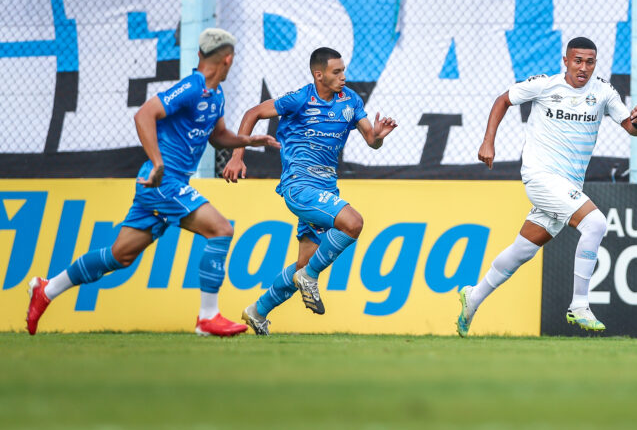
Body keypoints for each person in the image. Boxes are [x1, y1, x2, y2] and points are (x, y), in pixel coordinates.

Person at [26, 29, 280, 337]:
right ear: (228, 59)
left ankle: (47, 289)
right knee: (221, 230)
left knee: (120, 255)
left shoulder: (215, 95)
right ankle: (208, 317)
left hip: (159, 185)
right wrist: (158, 162)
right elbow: (144, 115)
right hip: (163, 180)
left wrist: (246, 141)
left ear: (201, 55)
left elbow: (216, 135)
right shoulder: (191, 87)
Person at [457, 37, 637, 336]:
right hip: (540, 176)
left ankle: (474, 296)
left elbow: (631, 128)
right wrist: (487, 141)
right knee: (595, 223)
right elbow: (503, 99)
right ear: (565, 61)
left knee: (523, 250)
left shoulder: (603, 92)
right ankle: (579, 305)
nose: (583, 67)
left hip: (567, 185)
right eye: (577, 61)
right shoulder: (546, 85)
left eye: (590, 61)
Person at [222, 47, 398, 335]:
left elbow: (371, 140)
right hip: (299, 184)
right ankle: (311, 276)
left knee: (303, 263)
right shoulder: (300, 99)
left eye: (343, 70)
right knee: (353, 223)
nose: (343, 76)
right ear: (319, 75)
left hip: (325, 187)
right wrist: (237, 156)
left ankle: (258, 311)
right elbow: (252, 113)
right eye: (336, 72)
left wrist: (378, 135)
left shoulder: (351, 101)